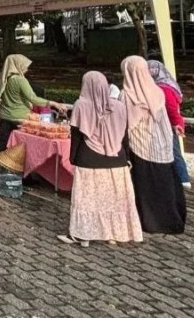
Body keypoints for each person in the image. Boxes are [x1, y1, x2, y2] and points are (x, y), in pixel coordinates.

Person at [57, 71, 143, 247]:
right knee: (114, 200)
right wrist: (126, 157)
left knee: (87, 200)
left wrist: (72, 158)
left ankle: (83, 235)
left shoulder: (81, 105)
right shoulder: (119, 106)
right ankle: (114, 233)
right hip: (116, 160)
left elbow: (77, 136)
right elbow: (123, 136)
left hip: (88, 159)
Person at [121, 56, 186, 234]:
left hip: (140, 145)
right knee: (166, 183)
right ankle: (172, 219)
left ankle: (150, 222)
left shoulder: (129, 94)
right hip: (161, 144)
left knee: (145, 186)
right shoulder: (157, 90)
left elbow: (126, 123)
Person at [0, 54, 68, 151]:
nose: (27, 69)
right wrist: (54, 103)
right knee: (18, 148)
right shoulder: (20, 80)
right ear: (18, 65)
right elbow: (33, 98)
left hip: (3, 117)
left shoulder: (1, 78)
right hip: (19, 118)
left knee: (3, 145)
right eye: (25, 66)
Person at [148, 60, 191, 189]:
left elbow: (171, 108)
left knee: (174, 151)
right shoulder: (168, 84)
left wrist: (176, 123)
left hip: (168, 125)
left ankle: (182, 178)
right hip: (169, 123)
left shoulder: (163, 87)